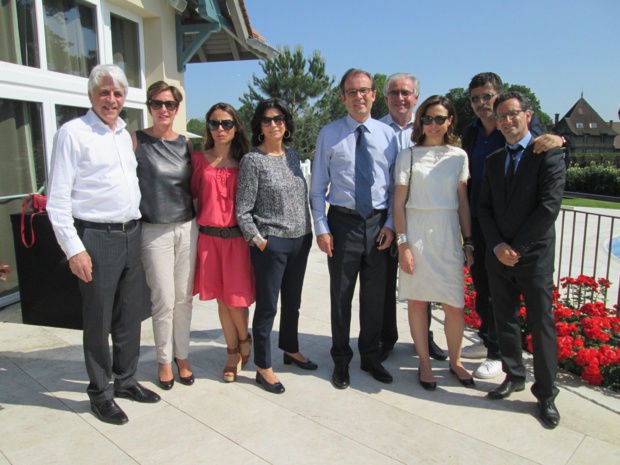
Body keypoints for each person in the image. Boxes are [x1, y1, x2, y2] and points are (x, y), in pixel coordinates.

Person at [47, 64, 160, 426]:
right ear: (92, 95)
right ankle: (100, 392)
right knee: (97, 320)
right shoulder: (73, 133)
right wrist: (73, 248)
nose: (111, 99)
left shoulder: (124, 133)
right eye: (104, 92)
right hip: (96, 237)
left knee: (129, 315)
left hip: (132, 233)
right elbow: (57, 199)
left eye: (118, 93)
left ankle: (126, 380)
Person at [461, 72, 565, 380]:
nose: (482, 103)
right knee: (486, 291)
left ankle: (531, 379)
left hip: (526, 240)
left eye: (487, 96)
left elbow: (550, 154)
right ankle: (493, 346)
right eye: (475, 98)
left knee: (532, 315)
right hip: (484, 223)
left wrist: (562, 138)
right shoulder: (472, 132)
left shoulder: (523, 130)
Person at [478, 91, 565, 428]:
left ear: (528, 115)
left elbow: (548, 207)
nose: (507, 121)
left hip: (534, 258)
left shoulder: (549, 153)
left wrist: (518, 248)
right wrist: (498, 245)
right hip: (498, 256)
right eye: (501, 116)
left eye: (513, 114)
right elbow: (484, 208)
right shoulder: (493, 160)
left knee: (541, 325)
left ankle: (546, 394)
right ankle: (513, 376)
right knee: (505, 320)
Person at [310, 68, 397, 390]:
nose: (358, 96)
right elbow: (317, 187)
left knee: (375, 298)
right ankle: (341, 360)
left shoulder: (390, 137)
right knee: (341, 297)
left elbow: (393, 189)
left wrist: (389, 224)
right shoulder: (329, 135)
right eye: (351, 91)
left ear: (374, 94)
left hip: (378, 225)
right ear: (343, 97)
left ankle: (370, 357)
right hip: (343, 223)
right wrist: (322, 228)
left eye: (364, 90)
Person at [393, 95, 475, 391]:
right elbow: (398, 204)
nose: (433, 124)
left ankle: (455, 361)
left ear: (450, 120)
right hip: (416, 233)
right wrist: (403, 244)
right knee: (417, 300)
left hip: (448, 234)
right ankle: (425, 362)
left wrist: (469, 242)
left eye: (440, 118)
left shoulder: (459, 156)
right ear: (420, 122)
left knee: (454, 304)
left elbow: (463, 203)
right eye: (427, 119)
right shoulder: (408, 156)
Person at [236, 98, 316, 394]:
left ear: (286, 123)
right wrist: (260, 242)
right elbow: (242, 210)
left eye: (279, 119)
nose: (274, 124)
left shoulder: (293, 156)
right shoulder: (252, 161)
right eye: (267, 120)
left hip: (301, 240)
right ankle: (263, 365)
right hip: (272, 244)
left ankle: (291, 350)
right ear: (259, 125)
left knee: (292, 303)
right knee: (268, 307)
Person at [132, 81, 197, 390]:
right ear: (149, 106)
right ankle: (163, 360)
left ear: (176, 108)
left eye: (169, 105)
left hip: (187, 227)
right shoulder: (136, 141)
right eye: (157, 104)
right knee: (164, 299)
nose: (163, 110)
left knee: (184, 298)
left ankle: (182, 356)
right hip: (153, 230)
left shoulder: (186, 144)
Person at [379, 72, 447, 363]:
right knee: (382, 284)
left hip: (419, 221)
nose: (400, 98)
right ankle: (386, 337)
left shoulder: (427, 130)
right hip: (382, 219)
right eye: (394, 92)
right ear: (386, 98)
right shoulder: (374, 129)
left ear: (416, 98)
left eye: (406, 92)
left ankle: (426, 338)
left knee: (423, 282)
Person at [192, 102, 255, 383]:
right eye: (214, 123)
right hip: (208, 240)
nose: (220, 129)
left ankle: (244, 339)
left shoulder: (247, 162)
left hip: (238, 240)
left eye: (226, 123)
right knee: (221, 298)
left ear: (236, 127)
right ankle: (233, 352)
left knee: (237, 298)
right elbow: (191, 198)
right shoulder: (197, 160)